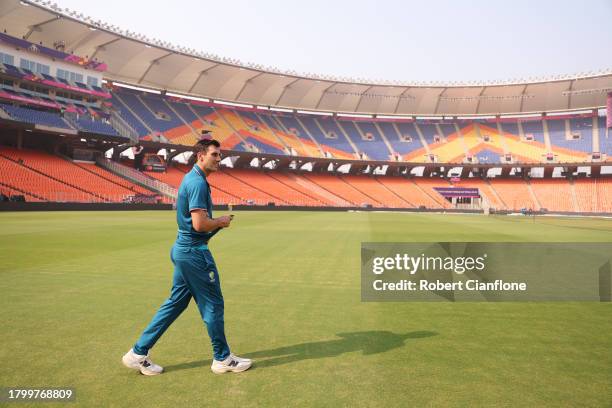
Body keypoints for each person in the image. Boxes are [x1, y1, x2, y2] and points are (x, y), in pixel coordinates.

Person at [122, 137, 252, 375]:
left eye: (219, 155)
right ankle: (222, 358)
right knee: (213, 304)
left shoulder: (193, 178)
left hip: (183, 250)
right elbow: (200, 224)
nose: (219, 159)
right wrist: (221, 222)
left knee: (175, 303)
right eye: (214, 154)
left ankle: (138, 353)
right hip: (194, 253)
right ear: (200, 155)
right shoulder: (197, 183)